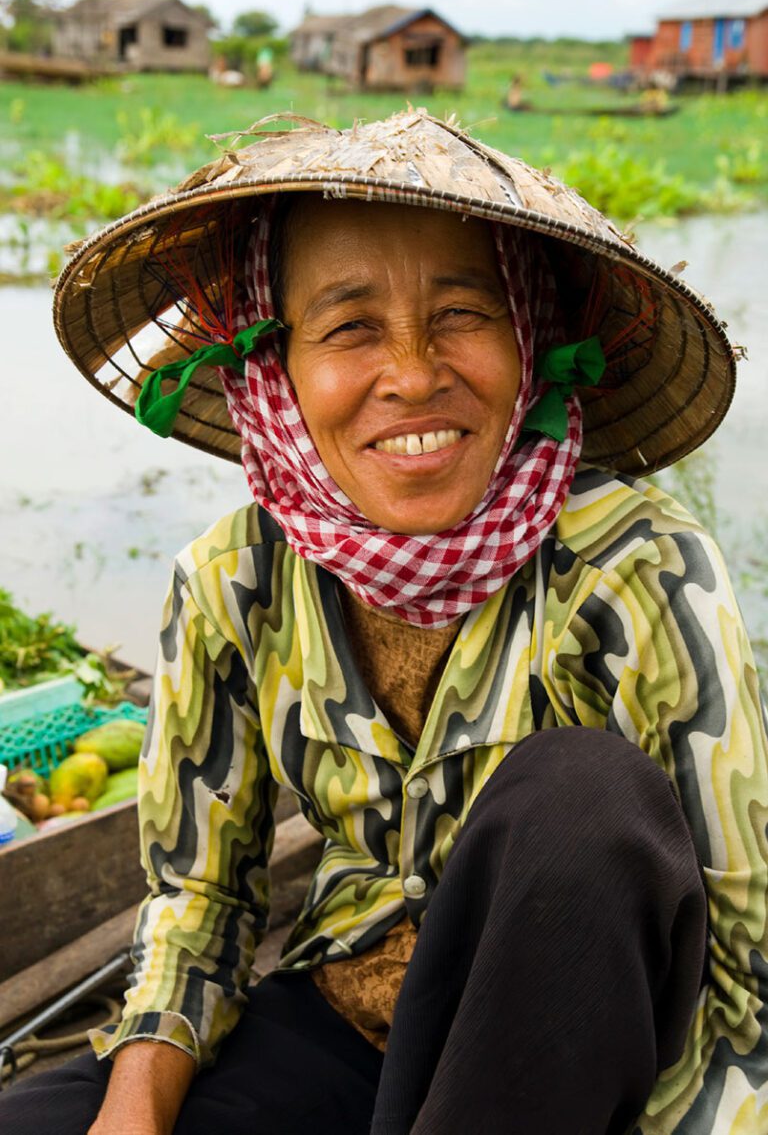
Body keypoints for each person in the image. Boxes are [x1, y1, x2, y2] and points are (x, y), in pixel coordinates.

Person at [3, 110, 766, 1133]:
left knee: (583, 796)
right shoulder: (237, 579)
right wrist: (130, 1111)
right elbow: (203, 907)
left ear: (529, 336)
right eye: (350, 326)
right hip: (347, 1031)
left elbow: (738, 975)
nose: (411, 373)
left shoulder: (638, 569)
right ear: (277, 368)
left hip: (569, 1070)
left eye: (463, 314)